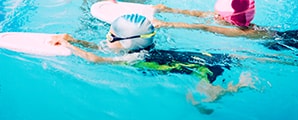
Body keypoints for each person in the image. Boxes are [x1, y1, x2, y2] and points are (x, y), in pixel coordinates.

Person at [51, 13, 256, 114]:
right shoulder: (138, 49)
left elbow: (96, 60)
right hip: (207, 56)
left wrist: (68, 47)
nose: (106, 38)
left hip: (204, 68)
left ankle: (239, 86)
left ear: (128, 42)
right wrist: (74, 40)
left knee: (206, 99)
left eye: (111, 36)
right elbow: (100, 48)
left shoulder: (133, 58)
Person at [152, 0, 298, 50]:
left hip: (286, 42)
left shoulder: (238, 31)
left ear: (231, 20)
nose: (214, 15)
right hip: (280, 34)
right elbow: (202, 15)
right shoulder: (232, 20)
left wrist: (168, 24)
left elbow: (205, 28)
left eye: (219, 15)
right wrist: (170, 10)